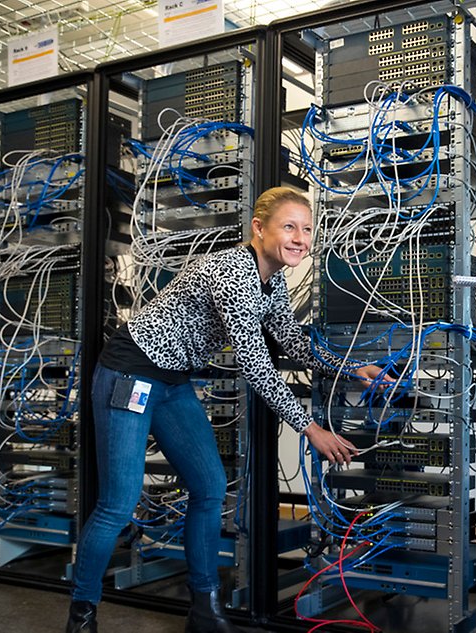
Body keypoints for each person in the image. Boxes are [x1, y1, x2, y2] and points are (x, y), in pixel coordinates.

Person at [66, 187, 382, 633]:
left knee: (210, 487)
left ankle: (204, 610)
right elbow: (256, 366)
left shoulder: (270, 282)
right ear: (259, 228)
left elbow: (290, 342)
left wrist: (352, 368)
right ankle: (82, 615)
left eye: (307, 229)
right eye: (288, 226)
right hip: (130, 373)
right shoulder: (235, 273)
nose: (300, 238)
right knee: (118, 503)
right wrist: (311, 429)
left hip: (172, 379)